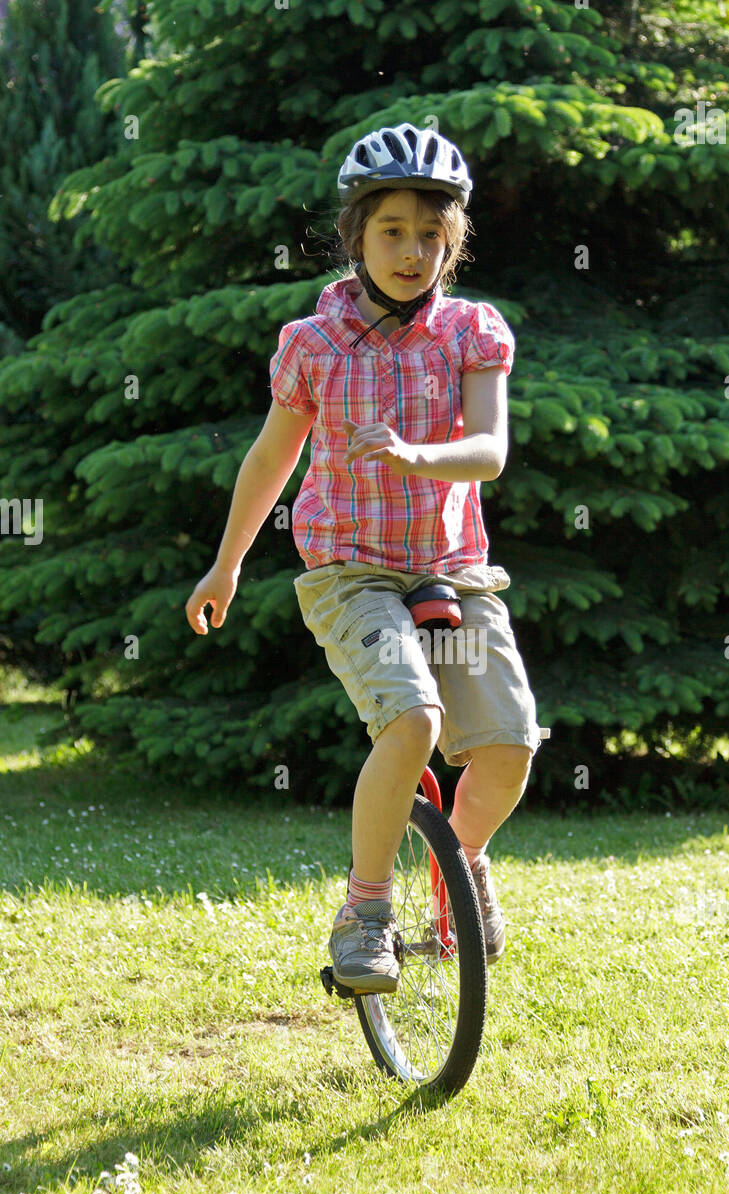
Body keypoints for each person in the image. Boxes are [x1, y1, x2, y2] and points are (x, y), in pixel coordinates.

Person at [185, 122, 543, 995]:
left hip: (450, 567)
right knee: (412, 718)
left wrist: (421, 456)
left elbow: (490, 450)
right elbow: (271, 458)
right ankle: (366, 912)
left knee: (507, 746)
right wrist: (228, 562)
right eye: (392, 231)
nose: (413, 251)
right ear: (356, 236)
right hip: (352, 572)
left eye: (432, 234)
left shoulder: (471, 333)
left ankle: (461, 863)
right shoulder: (314, 345)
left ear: (452, 242)